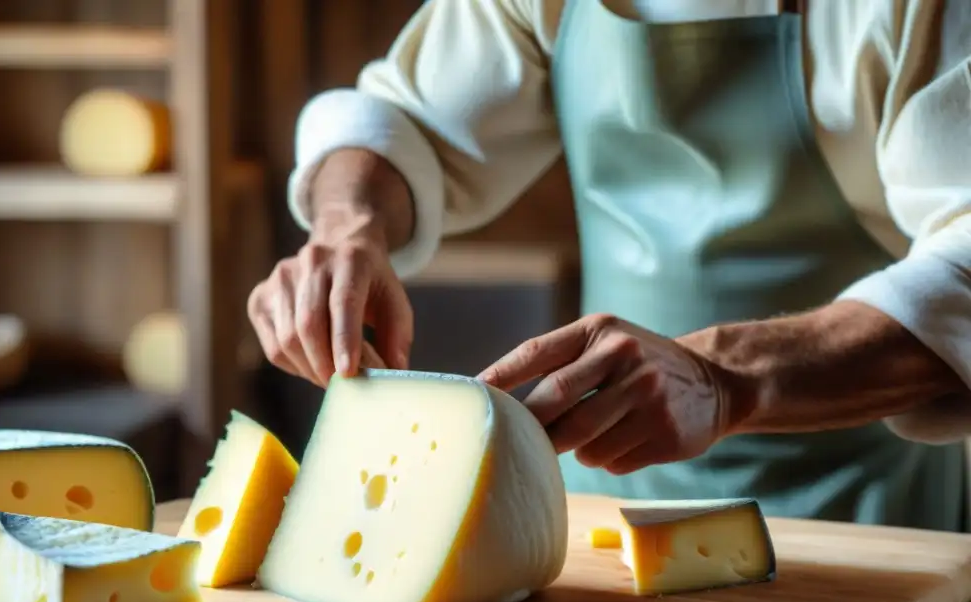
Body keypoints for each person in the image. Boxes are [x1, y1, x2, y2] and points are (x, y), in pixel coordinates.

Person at [247, 0, 971, 530]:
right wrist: (349, 226)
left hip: (869, 518)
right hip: (596, 508)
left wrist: (724, 378)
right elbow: (402, 121)